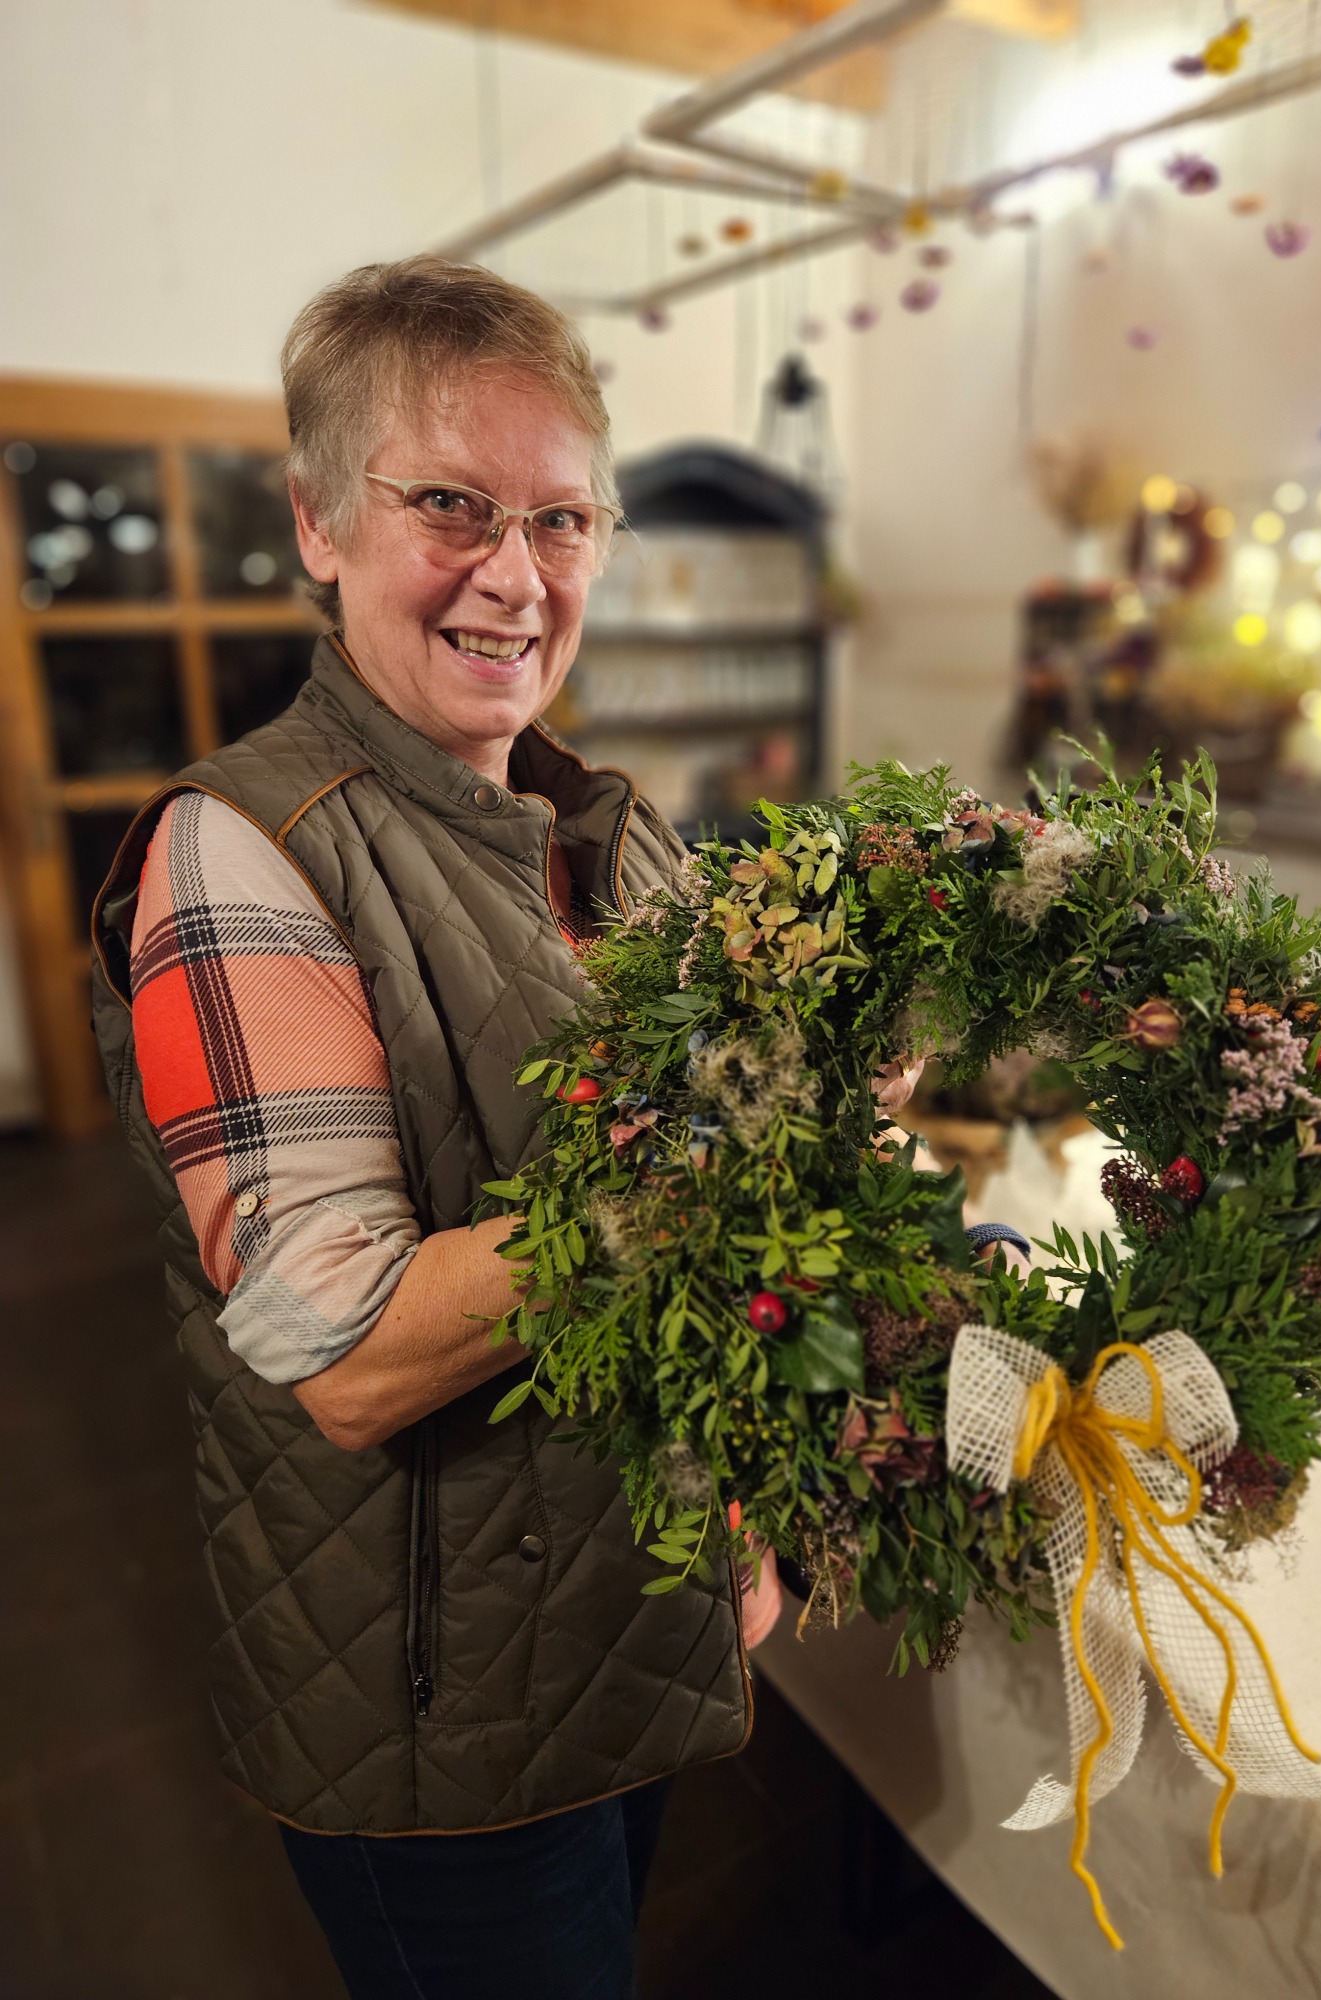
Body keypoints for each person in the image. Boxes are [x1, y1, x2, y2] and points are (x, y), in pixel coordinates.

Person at [91, 257, 771, 2000]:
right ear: (319, 522)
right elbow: (345, 1348)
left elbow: (726, 1208)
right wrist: (723, 1150)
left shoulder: (605, 830)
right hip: (431, 1712)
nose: (515, 574)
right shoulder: (246, 853)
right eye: (450, 505)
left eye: (563, 519)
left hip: (618, 1622)